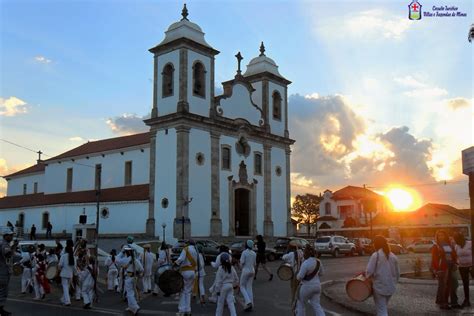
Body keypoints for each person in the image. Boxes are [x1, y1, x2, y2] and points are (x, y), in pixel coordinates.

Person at [366, 235, 400, 316]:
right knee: (383, 308)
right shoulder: (393, 256)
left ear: (376, 244)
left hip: (379, 287)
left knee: (381, 311)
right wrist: (394, 282)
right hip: (391, 287)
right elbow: (398, 273)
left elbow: (369, 271)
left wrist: (366, 277)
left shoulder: (376, 255)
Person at [432, 230, 460, 310]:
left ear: (445, 236)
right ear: (437, 237)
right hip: (442, 268)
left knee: (454, 284)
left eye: (442, 235)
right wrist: (437, 270)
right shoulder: (436, 246)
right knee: (443, 286)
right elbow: (434, 259)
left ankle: (454, 302)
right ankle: (443, 303)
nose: (441, 237)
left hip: (451, 266)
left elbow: (454, 255)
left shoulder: (449, 245)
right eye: (439, 235)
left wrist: (455, 263)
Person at [295, 245, 324, 316]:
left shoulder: (306, 263)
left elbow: (299, 277)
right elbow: (322, 273)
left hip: (306, 287)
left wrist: (297, 273)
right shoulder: (318, 262)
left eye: (304, 253)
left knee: (300, 304)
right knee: (317, 305)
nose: (303, 254)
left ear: (307, 253)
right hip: (317, 286)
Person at [116, 246, 144, 315]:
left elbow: (116, 260)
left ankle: (135, 307)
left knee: (130, 293)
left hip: (128, 278)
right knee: (132, 292)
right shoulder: (136, 260)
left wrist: (121, 252)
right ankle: (130, 307)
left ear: (126, 252)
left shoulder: (125, 260)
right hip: (134, 278)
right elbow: (141, 269)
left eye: (125, 252)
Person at [175, 239, 198, 315]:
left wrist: (175, 263)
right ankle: (188, 310)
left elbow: (181, 259)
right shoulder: (196, 250)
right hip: (193, 272)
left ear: (188, 244)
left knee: (182, 291)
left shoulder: (186, 249)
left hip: (185, 271)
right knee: (188, 292)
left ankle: (181, 311)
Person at [0, 226, 19, 316]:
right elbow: (8, 254)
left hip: (3, 271)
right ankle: (0, 310)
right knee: (3, 291)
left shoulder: (3, 243)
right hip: (3, 272)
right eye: (10, 235)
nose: (11, 237)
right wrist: (14, 247)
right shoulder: (4, 244)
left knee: (2, 291)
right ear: (5, 235)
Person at [454, 232, 472, 307]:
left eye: (458, 239)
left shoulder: (470, 243)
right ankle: (466, 300)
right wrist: (456, 263)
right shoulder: (456, 246)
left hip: (471, 266)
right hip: (462, 267)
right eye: (456, 240)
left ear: (462, 238)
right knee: (465, 284)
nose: (457, 241)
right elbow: (456, 255)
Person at [240, 239, 257, 311]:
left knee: (242, 286)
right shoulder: (254, 253)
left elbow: (242, 262)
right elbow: (255, 264)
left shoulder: (244, 252)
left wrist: (241, 267)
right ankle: (251, 303)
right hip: (252, 270)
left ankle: (248, 301)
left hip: (246, 270)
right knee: (249, 287)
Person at [58, 241, 76, 306]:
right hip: (70, 274)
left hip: (64, 273)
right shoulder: (73, 257)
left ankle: (67, 301)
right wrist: (75, 273)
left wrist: (59, 270)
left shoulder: (63, 256)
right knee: (67, 287)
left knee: (65, 287)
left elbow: (60, 265)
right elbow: (74, 267)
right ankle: (63, 299)